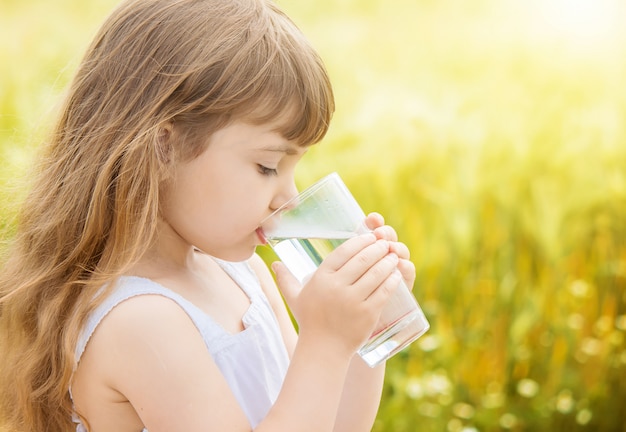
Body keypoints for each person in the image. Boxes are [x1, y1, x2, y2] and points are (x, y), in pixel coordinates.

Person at [0, 0, 416, 430]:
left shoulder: (244, 276)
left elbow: (333, 425)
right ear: (165, 147)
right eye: (268, 166)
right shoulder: (140, 321)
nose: (286, 196)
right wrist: (325, 342)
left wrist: (364, 330)